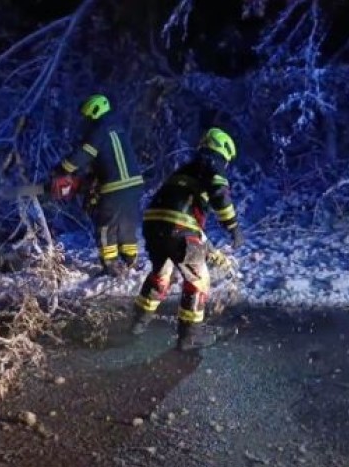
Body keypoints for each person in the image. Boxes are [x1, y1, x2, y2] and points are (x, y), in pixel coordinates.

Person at [131, 127, 244, 351]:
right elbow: (219, 194)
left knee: (160, 275)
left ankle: (136, 325)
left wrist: (210, 251)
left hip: (153, 225)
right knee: (198, 280)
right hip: (179, 227)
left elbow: (189, 224)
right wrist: (233, 228)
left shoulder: (185, 169)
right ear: (224, 152)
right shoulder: (213, 163)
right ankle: (190, 337)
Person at [49, 94, 144, 277]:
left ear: (93, 112)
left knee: (106, 225)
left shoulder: (98, 131)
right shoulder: (118, 129)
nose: (85, 122)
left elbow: (81, 156)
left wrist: (62, 169)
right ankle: (130, 259)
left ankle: (110, 266)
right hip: (134, 185)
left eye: (87, 118)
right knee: (126, 222)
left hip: (114, 186)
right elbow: (110, 160)